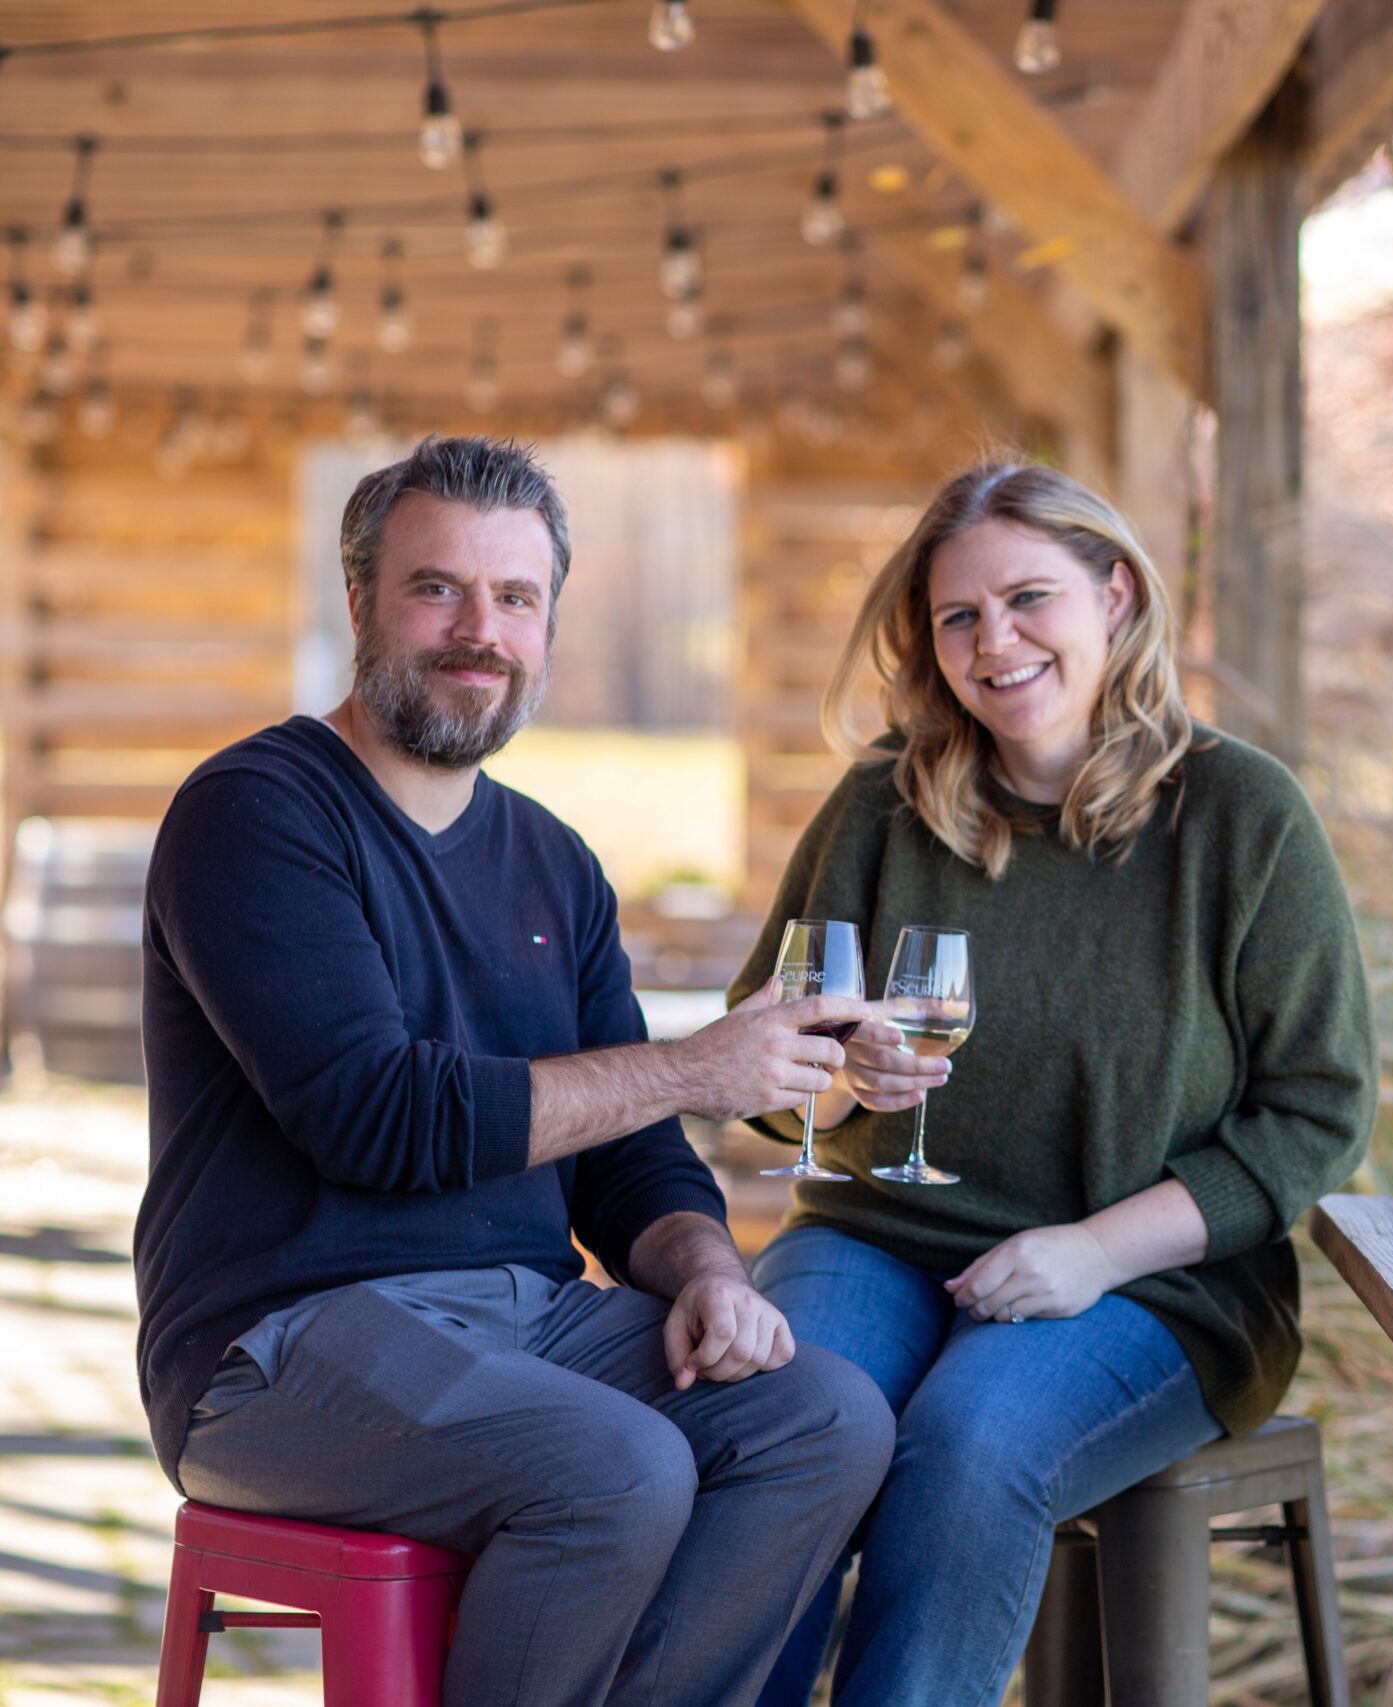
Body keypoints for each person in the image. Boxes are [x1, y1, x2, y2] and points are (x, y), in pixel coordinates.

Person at [135, 435, 895, 1706]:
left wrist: (709, 1275)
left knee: (822, 1421)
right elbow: (375, 1117)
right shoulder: (256, 812)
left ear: (549, 624)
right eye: (438, 589)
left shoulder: (555, 861)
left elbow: (630, 1156)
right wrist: (688, 1067)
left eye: (516, 598)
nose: (477, 631)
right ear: (362, 601)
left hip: (524, 1320)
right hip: (277, 1341)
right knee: (615, 1468)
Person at [733, 462, 1378, 1706]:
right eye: (958, 617)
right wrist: (843, 1081)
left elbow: (1316, 1112)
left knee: (971, 1441)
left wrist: (1090, 1251)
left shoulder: (1239, 816)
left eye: (1030, 598)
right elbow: (766, 1065)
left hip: (1153, 1283)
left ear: (1115, 597)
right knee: (786, 1417)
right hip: (876, 1240)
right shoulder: (882, 804)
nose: (996, 642)